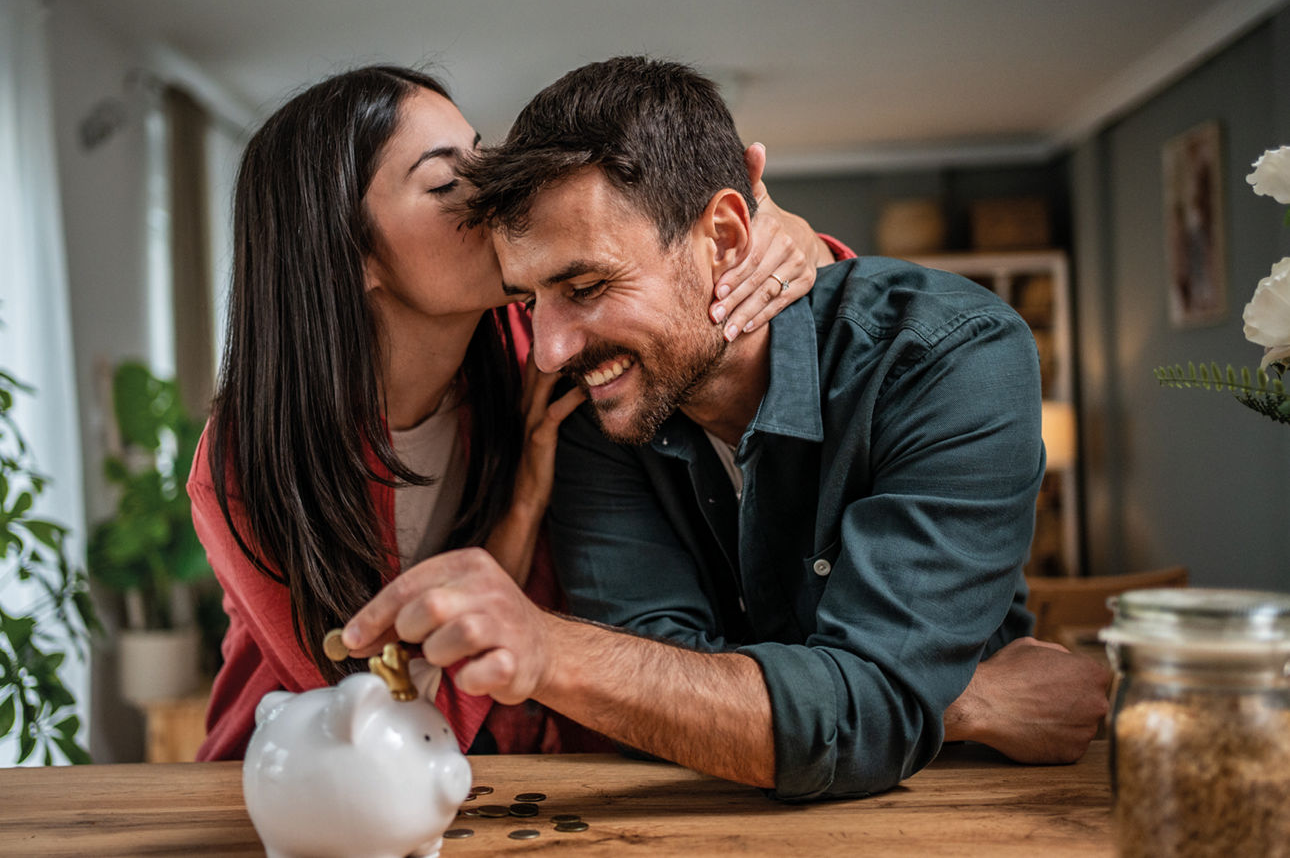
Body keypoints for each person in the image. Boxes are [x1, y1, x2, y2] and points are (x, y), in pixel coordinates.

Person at [342, 56, 1109, 800]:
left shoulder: (951, 358)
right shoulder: (596, 409)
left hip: (961, 810)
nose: (550, 350)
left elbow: (684, 694)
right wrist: (949, 704)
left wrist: (554, 649)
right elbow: (654, 710)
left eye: (585, 286)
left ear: (729, 239)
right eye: (528, 299)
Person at [190, 64, 839, 761]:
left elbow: (780, 330)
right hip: (302, 790)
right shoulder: (253, 463)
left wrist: (792, 244)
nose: (499, 191)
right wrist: (520, 515)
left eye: (484, 157)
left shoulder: (542, 343)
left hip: (540, 776)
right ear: (348, 257)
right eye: (445, 183)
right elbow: (385, 724)